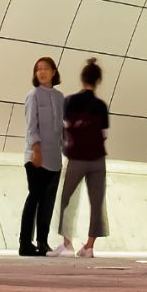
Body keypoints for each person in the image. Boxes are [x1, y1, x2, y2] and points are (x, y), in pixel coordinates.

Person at [59, 58, 110, 257]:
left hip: (77, 157)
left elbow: (64, 126)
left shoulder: (69, 101)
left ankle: (66, 243)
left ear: (82, 79)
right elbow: (103, 133)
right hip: (97, 159)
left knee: (66, 199)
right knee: (96, 203)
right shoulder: (101, 105)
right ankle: (89, 246)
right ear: (98, 81)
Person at [17, 55, 64, 255]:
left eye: (46, 68)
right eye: (38, 69)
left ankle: (42, 242)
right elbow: (31, 127)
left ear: (54, 72)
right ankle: (25, 243)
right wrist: (36, 150)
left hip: (54, 158)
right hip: (36, 157)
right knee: (34, 198)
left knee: (48, 202)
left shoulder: (60, 97)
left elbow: (61, 127)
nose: (42, 72)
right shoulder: (33, 95)